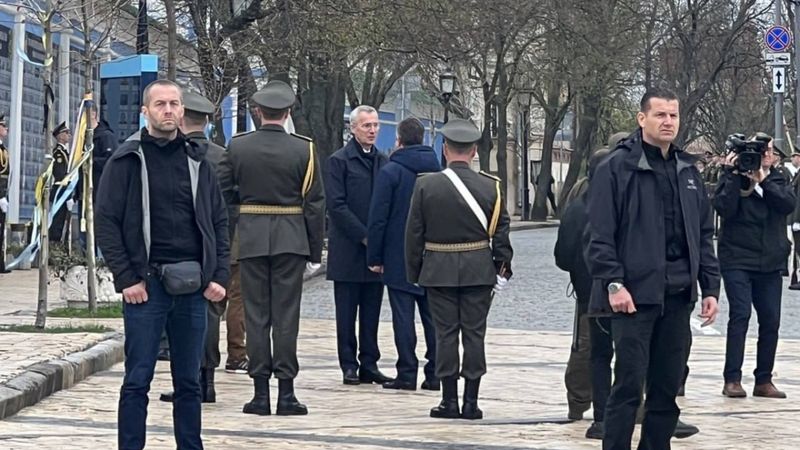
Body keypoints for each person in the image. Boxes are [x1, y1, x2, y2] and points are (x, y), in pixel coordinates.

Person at [95, 79, 230, 450]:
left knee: (189, 381)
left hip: (192, 288)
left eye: (174, 104)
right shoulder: (126, 159)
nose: (168, 110)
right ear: (145, 111)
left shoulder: (197, 160)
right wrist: (126, 278)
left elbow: (218, 221)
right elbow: (106, 221)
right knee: (137, 379)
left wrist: (219, 274)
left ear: (183, 111)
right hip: (146, 288)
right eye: (160, 104)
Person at [587, 87, 720, 450]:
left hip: (678, 295)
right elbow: (599, 234)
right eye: (660, 115)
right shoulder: (616, 167)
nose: (668, 122)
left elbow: (703, 233)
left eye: (673, 115)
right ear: (641, 118)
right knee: (628, 386)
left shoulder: (687, 170)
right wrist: (614, 283)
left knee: (666, 387)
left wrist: (710, 288)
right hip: (633, 296)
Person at [218, 80, 325, 416]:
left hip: (250, 238)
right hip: (291, 240)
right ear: (288, 112)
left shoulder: (237, 147)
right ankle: (287, 393)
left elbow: (224, 194)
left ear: (258, 112)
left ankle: (260, 393)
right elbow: (315, 204)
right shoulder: (304, 149)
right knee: (286, 317)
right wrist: (313, 252)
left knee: (256, 316)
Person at [405, 118, 513, 420]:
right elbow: (502, 234)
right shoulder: (492, 187)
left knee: (445, 335)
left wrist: (414, 272)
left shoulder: (426, 185)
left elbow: (414, 234)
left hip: (438, 269)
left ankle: (448, 401)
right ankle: (471, 402)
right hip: (479, 270)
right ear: (474, 150)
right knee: (475, 335)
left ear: (445, 149)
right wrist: (501, 268)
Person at [159, 91, 244, 405]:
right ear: (207, 121)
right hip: (222, 246)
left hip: (180, 249)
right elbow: (233, 205)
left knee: (181, 315)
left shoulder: (171, 152)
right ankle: (206, 381)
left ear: (181, 118)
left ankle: (190, 379)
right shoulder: (224, 156)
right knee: (211, 311)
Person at [555, 131, 625, 439]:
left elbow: (563, 253)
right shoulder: (612, 201)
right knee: (605, 351)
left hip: (588, 290)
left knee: (589, 350)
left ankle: (587, 407)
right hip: (604, 290)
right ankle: (611, 409)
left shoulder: (578, 201)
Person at [714, 136, 795, 400]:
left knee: (771, 320)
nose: (765, 156)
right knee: (740, 315)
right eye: (762, 152)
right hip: (737, 256)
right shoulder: (734, 176)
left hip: (770, 259)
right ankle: (732, 379)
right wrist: (731, 173)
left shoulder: (777, 178)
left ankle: (764, 379)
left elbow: (787, 204)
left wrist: (763, 179)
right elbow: (723, 208)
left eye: (769, 151)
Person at [367, 118, 440, 391]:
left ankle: (407, 372)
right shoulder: (438, 171)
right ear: (421, 139)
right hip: (432, 254)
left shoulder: (391, 171)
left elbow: (378, 218)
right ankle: (435, 374)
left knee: (403, 316)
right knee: (432, 317)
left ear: (399, 140)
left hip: (398, 254)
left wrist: (375, 257)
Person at [325, 105, 392, 385]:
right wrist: (364, 235)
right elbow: (336, 206)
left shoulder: (383, 160)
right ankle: (348, 363)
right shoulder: (339, 161)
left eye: (376, 125)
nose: (373, 130)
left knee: (372, 310)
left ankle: (369, 362)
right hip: (349, 249)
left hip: (376, 252)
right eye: (367, 126)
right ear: (353, 128)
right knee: (346, 312)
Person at [49, 121, 72, 245]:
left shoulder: (64, 152)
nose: (69, 135)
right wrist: (67, 195)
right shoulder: (58, 153)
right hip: (60, 192)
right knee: (57, 223)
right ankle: (54, 251)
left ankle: (58, 249)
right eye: (66, 133)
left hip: (63, 192)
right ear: (60, 136)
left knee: (62, 222)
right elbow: (60, 175)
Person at [0, 114, 11, 273]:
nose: (6, 128)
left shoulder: (3, 149)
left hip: (3, 194)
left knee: (1, 230)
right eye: (3, 125)